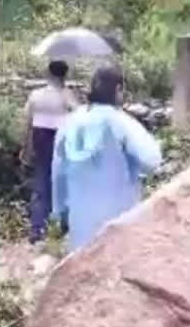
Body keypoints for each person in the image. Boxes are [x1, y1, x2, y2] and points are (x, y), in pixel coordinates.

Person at [51, 66, 162, 253]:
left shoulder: (70, 123)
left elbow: (58, 171)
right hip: (119, 219)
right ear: (118, 89)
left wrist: (60, 210)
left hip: (81, 220)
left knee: (81, 271)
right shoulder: (123, 123)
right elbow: (152, 160)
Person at [21, 59, 77, 243]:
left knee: (41, 182)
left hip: (40, 139)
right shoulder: (67, 95)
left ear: (48, 74)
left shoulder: (36, 95)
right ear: (64, 75)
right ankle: (58, 229)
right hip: (62, 141)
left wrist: (25, 147)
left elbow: (27, 122)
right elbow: (77, 117)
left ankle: (37, 229)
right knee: (62, 184)